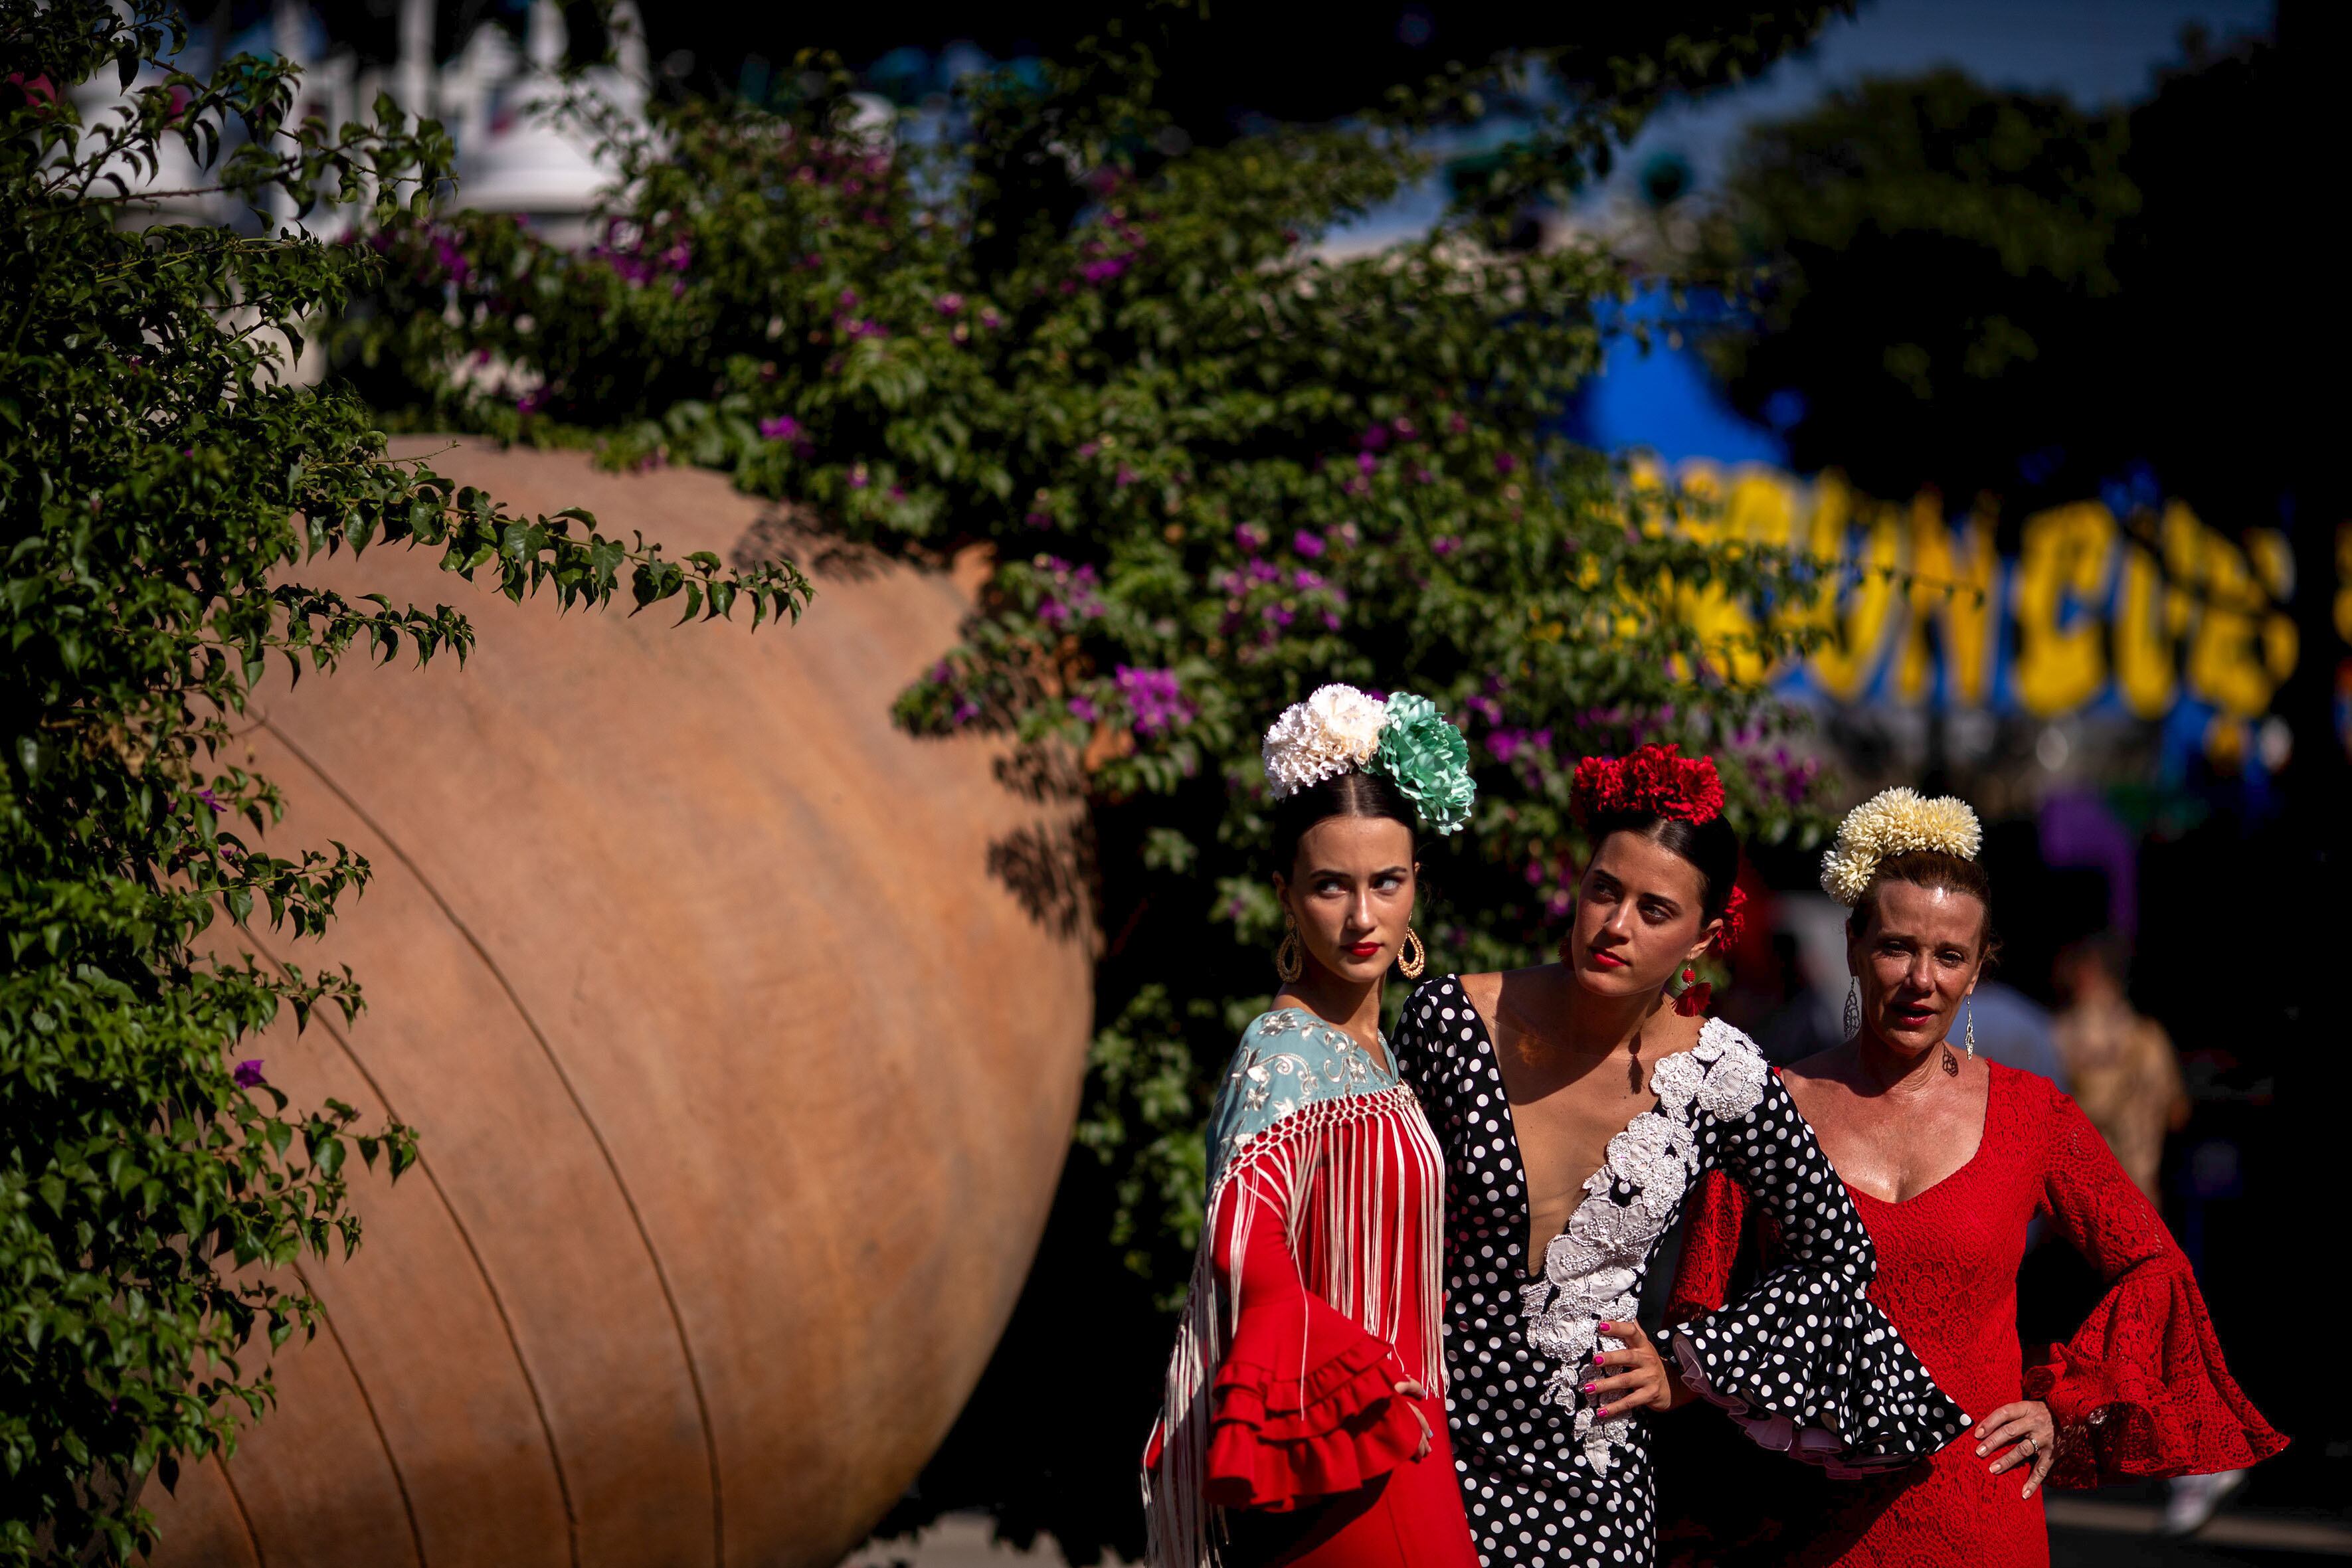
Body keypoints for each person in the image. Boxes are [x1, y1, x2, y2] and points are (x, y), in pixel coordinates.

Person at [1666, 788, 2284, 1568]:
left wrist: (2061, 1408)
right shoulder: (1766, 1105)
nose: (1920, 979)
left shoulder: (2032, 1115)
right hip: (1803, 1521)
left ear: (1976, 972)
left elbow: (2154, 1266)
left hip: (1984, 1517)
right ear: (1853, 943)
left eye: (1949, 956)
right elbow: (1698, 1316)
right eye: (1896, 946)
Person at [1391, 746, 1966, 1568]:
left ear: (1703, 937)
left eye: (1653, 910)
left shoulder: (1719, 1073)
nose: (1614, 925)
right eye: (1602, 890)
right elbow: (1374, 1219)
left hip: (1587, 1486)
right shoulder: (1451, 1017)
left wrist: (1686, 1368)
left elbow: (1837, 1251)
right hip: (1422, 1441)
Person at [1143, 685, 1482, 1568]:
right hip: (1342, 1445)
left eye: (1387, 882)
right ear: (1286, 896)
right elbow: (1240, 1248)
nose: (1362, 917)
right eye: (1331, 885)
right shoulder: (1282, 1051)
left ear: (1417, 888)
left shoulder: (1378, 1052)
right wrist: (1353, 1379)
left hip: (1405, 1427)